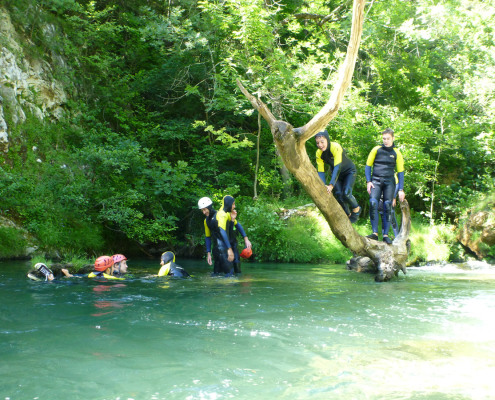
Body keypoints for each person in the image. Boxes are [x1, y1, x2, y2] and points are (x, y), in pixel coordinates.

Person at [365, 128, 405, 244]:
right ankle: (374, 233)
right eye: (384, 138)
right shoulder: (376, 149)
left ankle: (386, 235)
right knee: (373, 203)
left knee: (387, 206)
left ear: (393, 138)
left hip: (389, 182)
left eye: (388, 138)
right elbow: (368, 166)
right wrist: (368, 181)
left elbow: (401, 172)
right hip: (376, 180)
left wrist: (401, 189)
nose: (386, 141)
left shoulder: (396, 152)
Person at [315, 130, 361, 222]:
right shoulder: (319, 153)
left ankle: (356, 209)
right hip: (337, 175)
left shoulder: (335, 147)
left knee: (346, 194)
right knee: (339, 195)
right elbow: (320, 171)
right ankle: (347, 215)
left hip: (349, 171)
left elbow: (337, 167)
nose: (320, 145)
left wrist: (331, 184)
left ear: (327, 140)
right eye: (317, 143)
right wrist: (323, 185)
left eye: (322, 142)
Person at [215, 195, 252, 276]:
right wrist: (229, 249)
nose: (234, 206)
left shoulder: (228, 213)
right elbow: (222, 231)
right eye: (233, 204)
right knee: (229, 274)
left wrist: (246, 238)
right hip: (223, 248)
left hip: (230, 244)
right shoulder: (222, 214)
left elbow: (236, 226)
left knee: (237, 270)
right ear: (228, 204)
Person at [198, 197, 223, 275]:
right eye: (202, 210)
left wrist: (245, 238)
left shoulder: (220, 215)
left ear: (209, 207)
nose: (203, 212)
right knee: (216, 275)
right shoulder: (206, 221)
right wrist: (209, 253)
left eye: (204, 209)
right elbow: (208, 237)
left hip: (226, 249)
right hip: (216, 250)